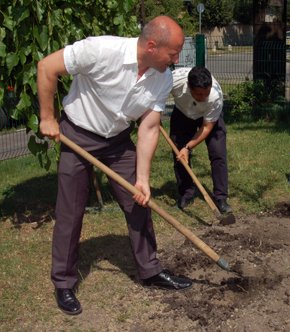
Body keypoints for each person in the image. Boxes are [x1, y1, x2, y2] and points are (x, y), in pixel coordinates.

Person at [37, 16, 193, 316]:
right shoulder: (100, 50)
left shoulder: (161, 78)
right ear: (151, 46)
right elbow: (47, 67)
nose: (176, 60)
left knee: (139, 201)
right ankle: (64, 282)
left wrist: (143, 179)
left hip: (118, 140)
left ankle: (150, 270)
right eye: (172, 53)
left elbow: (148, 127)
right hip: (77, 134)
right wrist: (47, 117)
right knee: (70, 211)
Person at [169, 66, 232, 213]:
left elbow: (206, 127)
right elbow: (156, 95)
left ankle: (221, 197)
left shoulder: (215, 97)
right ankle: (186, 193)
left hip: (209, 118)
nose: (203, 97)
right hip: (182, 113)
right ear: (189, 87)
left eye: (206, 93)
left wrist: (188, 147)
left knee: (218, 154)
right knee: (179, 154)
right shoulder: (173, 80)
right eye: (199, 94)